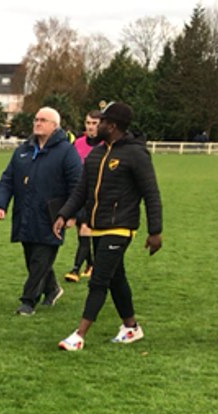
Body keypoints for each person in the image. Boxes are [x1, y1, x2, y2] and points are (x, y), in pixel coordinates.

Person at [52, 102, 162, 351]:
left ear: (111, 126)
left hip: (121, 227)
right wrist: (64, 214)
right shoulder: (96, 154)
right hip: (97, 226)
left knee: (99, 280)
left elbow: (151, 193)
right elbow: (81, 190)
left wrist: (155, 231)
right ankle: (131, 327)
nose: (95, 126)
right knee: (116, 277)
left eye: (100, 122)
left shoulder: (136, 154)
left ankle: (79, 335)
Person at [0, 106, 82, 316]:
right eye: (36, 119)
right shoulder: (23, 150)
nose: (37, 123)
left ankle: (28, 302)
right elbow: (7, 179)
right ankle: (52, 289)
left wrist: (72, 214)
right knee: (33, 258)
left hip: (52, 216)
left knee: (40, 259)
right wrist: (0, 205)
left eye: (43, 120)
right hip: (25, 214)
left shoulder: (66, 152)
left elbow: (77, 185)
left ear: (54, 126)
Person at [64, 109, 102, 282]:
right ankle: (90, 265)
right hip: (79, 194)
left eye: (94, 123)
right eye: (88, 123)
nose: (91, 127)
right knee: (82, 232)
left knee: (87, 231)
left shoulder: (105, 145)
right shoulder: (78, 143)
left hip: (97, 197)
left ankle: (75, 269)